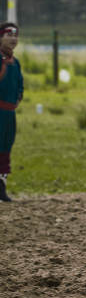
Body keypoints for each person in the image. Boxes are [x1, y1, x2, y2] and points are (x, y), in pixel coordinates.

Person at [0, 22, 22, 202]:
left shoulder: (16, 62)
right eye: (9, 35)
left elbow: (19, 85)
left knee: (6, 148)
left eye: (15, 36)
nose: (13, 39)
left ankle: (2, 188)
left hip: (9, 114)